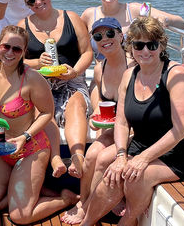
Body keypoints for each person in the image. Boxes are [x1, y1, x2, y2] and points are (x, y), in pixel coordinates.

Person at [80, 16, 184, 226]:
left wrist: (143, 158)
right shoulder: (130, 75)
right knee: (112, 173)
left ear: (161, 45)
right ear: (131, 46)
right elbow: (122, 123)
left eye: (151, 45)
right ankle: (87, 222)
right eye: (139, 45)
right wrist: (120, 156)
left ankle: (126, 222)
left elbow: (181, 130)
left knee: (135, 177)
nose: (145, 51)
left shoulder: (176, 75)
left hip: (182, 152)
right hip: (145, 142)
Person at [0, 25, 78, 224]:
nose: (10, 53)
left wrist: (25, 137)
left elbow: (47, 113)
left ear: (24, 52)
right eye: (6, 46)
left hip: (30, 148)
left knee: (20, 216)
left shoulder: (32, 79)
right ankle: (30, 189)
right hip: (1, 149)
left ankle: (65, 198)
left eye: (17, 49)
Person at [18, 0, 93, 178]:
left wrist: (74, 72)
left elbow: (87, 53)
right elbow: (15, 60)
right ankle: (56, 159)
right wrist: (36, 63)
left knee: (76, 104)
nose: (37, 2)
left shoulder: (71, 18)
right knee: (44, 110)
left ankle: (78, 156)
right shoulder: (23, 26)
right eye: (31, 1)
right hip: (40, 81)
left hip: (71, 78)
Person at [62, 17, 132, 224]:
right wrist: (96, 112)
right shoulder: (101, 67)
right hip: (116, 128)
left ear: (121, 35)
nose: (105, 39)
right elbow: (95, 88)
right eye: (98, 36)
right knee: (91, 155)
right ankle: (84, 202)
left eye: (110, 33)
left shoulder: (134, 63)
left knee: (101, 159)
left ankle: (91, 206)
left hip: (137, 130)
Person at [81, 0, 184, 60]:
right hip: (102, 74)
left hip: (133, 74)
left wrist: (164, 20)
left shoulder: (135, 9)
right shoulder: (88, 14)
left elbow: (181, 23)